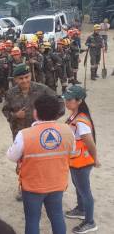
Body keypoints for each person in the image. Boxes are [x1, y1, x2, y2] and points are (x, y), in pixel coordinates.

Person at [7, 94, 75, 234]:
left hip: (33, 186)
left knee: (32, 220)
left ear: (35, 112)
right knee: (57, 216)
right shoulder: (68, 131)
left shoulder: (24, 134)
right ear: (57, 113)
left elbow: (12, 156)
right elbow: (71, 151)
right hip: (57, 184)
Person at [63, 85, 100, 234]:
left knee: (85, 191)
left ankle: (90, 221)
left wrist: (95, 159)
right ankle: (81, 209)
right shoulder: (74, 115)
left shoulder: (81, 121)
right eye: (65, 98)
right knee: (78, 186)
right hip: (75, 160)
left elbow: (90, 142)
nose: (66, 102)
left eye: (69, 99)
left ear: (79, 101)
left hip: (82, 162)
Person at [2, 63, 59, 140]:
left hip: (39, 132)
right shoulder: (10, 93)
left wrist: (50, 118)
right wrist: (16, 115)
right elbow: (5, 110)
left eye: (27, 77)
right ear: (15, 79)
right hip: (19, 133)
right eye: (21, 78)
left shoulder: (42, 89)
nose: (24, 80)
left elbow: (58, 100)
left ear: (31, 76)